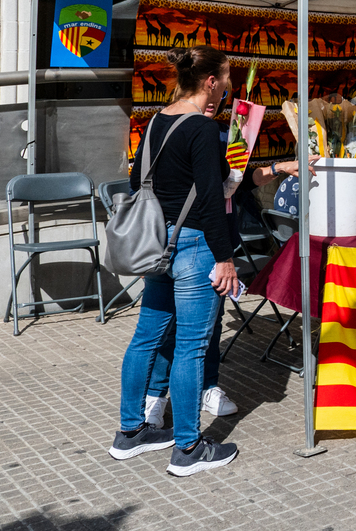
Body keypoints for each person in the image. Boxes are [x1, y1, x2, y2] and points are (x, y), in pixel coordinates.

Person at [112, 46, 239, 476]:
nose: (227, 88)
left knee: (146, 336)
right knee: (191, 347)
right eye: (225, 80)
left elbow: (136, 180)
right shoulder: (203, 129)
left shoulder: (154, 122)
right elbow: (208, 198)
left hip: (156, 242)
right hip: (195, 245)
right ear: (209, 83)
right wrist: (225, 258)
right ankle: (188, 448)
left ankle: (130, 433)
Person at [142, 153, 315, 430]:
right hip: (175, 239)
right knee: (170, 328)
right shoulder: (182, 127)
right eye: (209, 105)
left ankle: (207, 388)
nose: (214, 107)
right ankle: (155, 397)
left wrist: (277, 168)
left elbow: (237, 182)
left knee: (210, 324)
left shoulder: (222, 132)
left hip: (213, 242)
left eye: (217, 105)